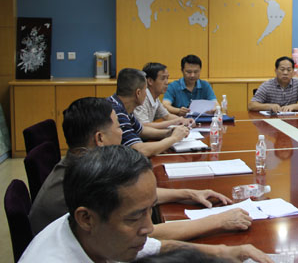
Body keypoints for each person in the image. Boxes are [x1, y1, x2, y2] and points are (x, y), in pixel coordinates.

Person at [29, 97, 253, 240]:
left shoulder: (83, 163)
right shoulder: (89, 181)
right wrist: (219, 220)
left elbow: (130, 196)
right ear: (99, 138)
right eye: (119, 127)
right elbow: (144, 235)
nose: (122, 133)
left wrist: (188, 193)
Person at [20, 146, 273, 263]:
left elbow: (157, 246)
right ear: (86, 218)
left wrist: (225, 253)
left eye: (150, 210)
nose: (149, 227)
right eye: (135, 217)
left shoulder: (94, 233)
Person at [109, 68, 190, 157]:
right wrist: (174, 138)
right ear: (138, 93)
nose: (146, 94)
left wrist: (169, 132)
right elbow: (140, 150)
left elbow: (141, 130)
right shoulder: (116, 112)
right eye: (145, 90)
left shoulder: (121, 105)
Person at [134, 62, 196, 128]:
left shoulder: (155, 97)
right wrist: (175, 122)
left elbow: (167, 116)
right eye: (163, 78)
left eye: (167, 78)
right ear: (150, 81)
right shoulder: (141, 97)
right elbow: (144, 126)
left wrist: (185, 120)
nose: (166, 82)